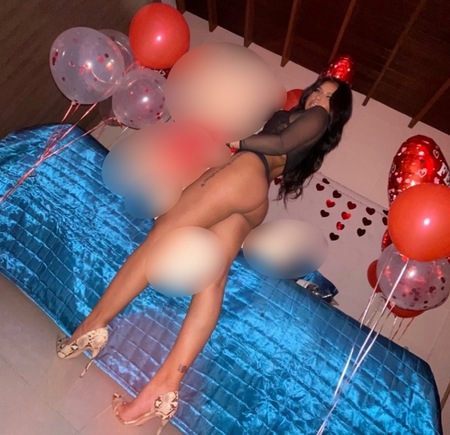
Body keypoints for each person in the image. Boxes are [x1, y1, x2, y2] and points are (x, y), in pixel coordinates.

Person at [56, 75, 353, 433]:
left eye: (328, 97)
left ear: (336, 113)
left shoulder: (316, 118)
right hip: (254, 195)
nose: (319, 98)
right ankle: (163, 387)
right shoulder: (310, 127)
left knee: (159, 241)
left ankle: (90, 327)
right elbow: (283, 146)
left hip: (242, 172)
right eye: (318, 90)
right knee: (211, 282)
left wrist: (237, 141)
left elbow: (280, 142)